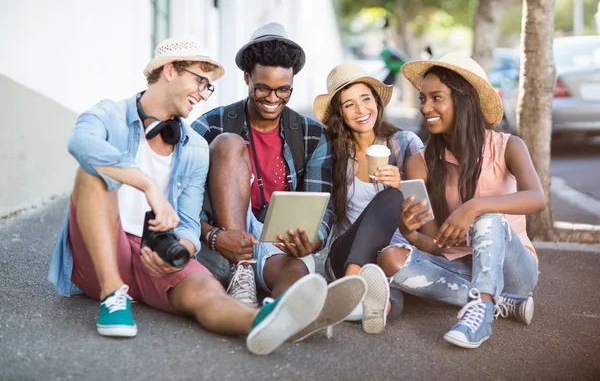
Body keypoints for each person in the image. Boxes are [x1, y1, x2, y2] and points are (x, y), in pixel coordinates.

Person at [47, 35, 342, 356]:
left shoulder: (193, 146)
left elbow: (187, 222)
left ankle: (265, 320)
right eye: (200, 82)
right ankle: (112, 294)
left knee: (207, 291)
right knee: (91, 174)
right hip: (105, 250)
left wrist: (183, 248)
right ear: (170, 70)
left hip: (158, 251)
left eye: (208, 87)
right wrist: (147, 186)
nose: (203, 94)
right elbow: (81, 145)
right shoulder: (110, 115)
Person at [191, 23, 365, 340]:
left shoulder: (312, 136)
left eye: (283, 90)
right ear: (246, 78)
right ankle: (247, 277)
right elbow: (183, 206)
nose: (273, 99)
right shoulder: (211, 125)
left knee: (297, 272)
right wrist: (215, 237)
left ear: (292, 84)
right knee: (230, 145)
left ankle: (276, 315)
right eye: (262, 88)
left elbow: (321, 207)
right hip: (218, 246)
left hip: (274, 244)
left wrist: (310, 241)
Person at [377, 52, 546, 349]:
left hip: (513, 270)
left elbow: (537, 199)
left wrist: (475, 206)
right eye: (422, 99)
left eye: (436, 98)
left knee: (488, 217)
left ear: (463, 100)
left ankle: (480, 314)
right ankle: (499, 301)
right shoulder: (422, 162)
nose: (426, 107)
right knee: (390, 258)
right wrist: (409, 231)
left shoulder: (508, 146)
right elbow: (434, 243)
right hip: (459, 268)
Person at [313, 63, 424, 333]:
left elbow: (426, 207)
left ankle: (374, 307)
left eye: (366, 99)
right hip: (345, 253)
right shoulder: (332, 151)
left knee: (388, 292)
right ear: (340, 113)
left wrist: (404, 184)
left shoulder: (405, 142)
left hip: (391, 256)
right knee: (388, 199)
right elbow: (319, 204)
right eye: (349, 104)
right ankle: (350, 285)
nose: (361, 111)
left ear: (377, 101)